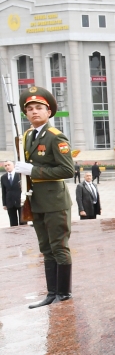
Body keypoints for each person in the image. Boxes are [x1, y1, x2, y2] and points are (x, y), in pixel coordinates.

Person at [12, 87, 75, 308]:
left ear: (49, 112)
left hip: (55, 202)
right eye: (29, 109)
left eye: (39, 108)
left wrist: (33, 171)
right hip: (36, 200)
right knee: (45, 248)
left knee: (59, 247)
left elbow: (68, 171)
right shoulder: (28, 136)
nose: (34, 112)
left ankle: (64, 293)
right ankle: (51, 293)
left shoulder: (55, 137)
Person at [2, 161, 22, 226]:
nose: (7, 167)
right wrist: (4, 204)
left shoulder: (20, 175)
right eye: (5, 166)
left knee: (23, 221)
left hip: (20, 201)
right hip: (9, 202)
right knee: (13, 222)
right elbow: (4, 191)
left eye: (9, 165)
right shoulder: (3, 177)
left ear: (13, 165)